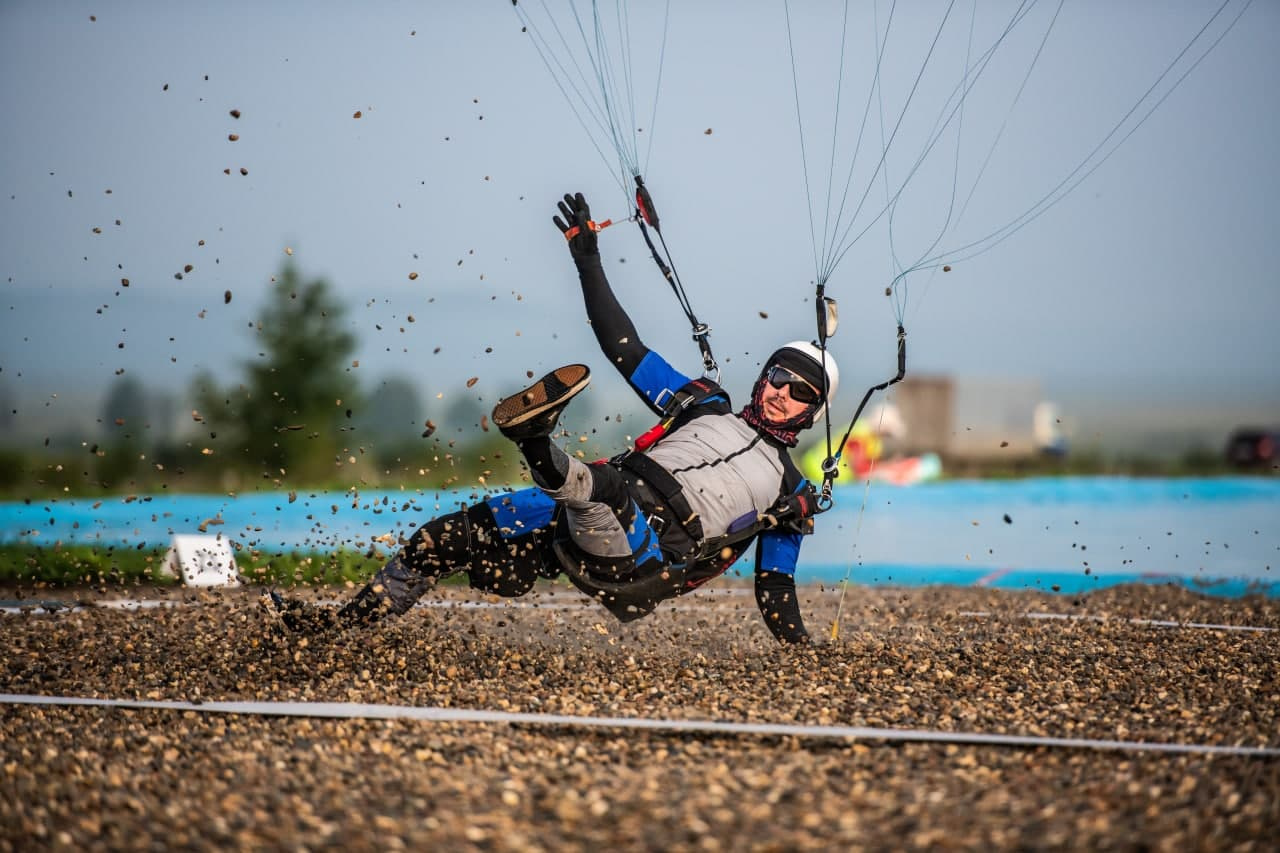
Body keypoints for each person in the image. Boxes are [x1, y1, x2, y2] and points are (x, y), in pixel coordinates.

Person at [268, 192, 838, 643]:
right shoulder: (701, 402)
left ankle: (537, 440)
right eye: (778, 377)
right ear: (763, 377)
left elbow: (775, 586)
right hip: (587, 509)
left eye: (800, 393)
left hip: (647, 555)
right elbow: (624, 346)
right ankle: (333, 631)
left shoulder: (791, 491)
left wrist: (805, 654)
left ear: (814, 413)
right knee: (439, 539)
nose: (782, 393)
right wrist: (587, 258)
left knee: (603, 486)